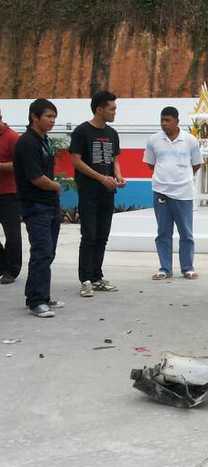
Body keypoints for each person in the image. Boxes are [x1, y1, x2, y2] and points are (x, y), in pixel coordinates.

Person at [69, 91, 125, 298]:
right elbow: (76, 160)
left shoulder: (112, 133)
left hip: (107, 192)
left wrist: (118, 177)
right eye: (112, 108)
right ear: (99, 109)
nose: (114, 112)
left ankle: (96, 276)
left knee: (102, 235)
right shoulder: (82, 132)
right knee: (89, 235)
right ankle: (85, 279)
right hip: (89, 193)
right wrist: (101, 178)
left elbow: (114, 160)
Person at [13, 99, 63, 318]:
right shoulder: (27, 143)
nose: (52, 121)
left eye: (54, 117)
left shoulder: (44, 141)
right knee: (41, 252)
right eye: (48, 116)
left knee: (48, 252)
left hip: (50, 204)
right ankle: (37, 301)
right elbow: (36, 178)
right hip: (36, 205)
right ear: (35, 117)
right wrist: (56, 185)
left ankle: (38, 293)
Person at [143, 106, 203, 280]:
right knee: (163, 232)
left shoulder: (190, 140)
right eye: (162, 120)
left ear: (177, 121)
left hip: (184, 192)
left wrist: (181, 177)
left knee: (186, 233)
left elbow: (196, 164)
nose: (164, 124)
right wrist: (165, 178)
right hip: (161, 191)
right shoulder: (153, 140)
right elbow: (150, 164)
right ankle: (164, 268)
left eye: (167, 120)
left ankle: (188, 268)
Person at [0, 106, 22, 284]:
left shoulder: (13, 137)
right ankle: (2, 264)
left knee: (12, 235)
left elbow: (20, 165)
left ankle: (12, 270)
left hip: (9, 193)